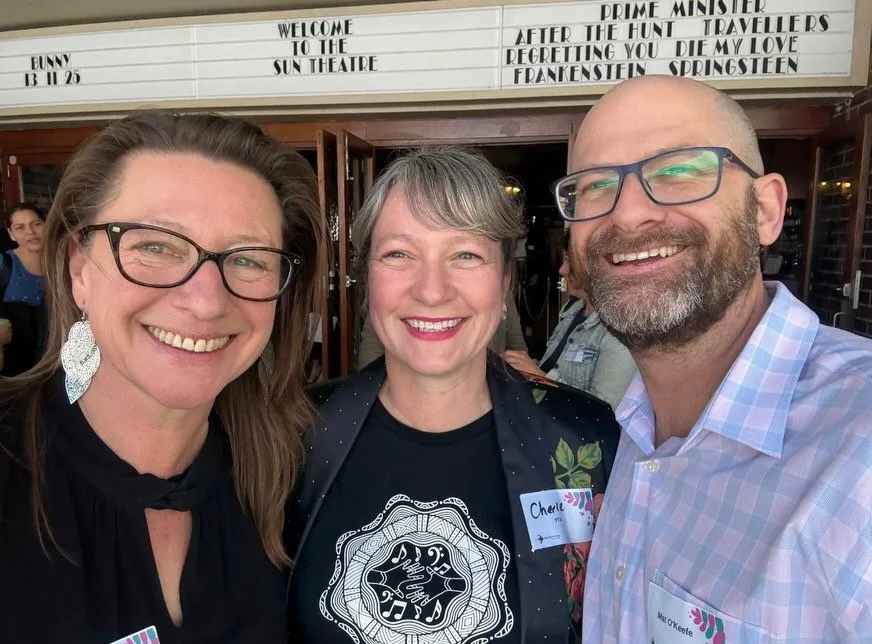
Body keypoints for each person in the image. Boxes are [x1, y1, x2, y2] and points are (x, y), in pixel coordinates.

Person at [551, 75, 872, 643]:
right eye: (596, 186)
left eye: (677, 172)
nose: (628, 216)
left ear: (766, 209)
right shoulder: (634, 427)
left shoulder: (858, 451)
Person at [0, 111, 325, 643]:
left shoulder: (291, 472)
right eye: (155, 246)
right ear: (79, 271)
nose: (205, 301)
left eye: (248, 259)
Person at [286, 147, 620, 643]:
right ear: (367, 278)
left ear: (505, 279)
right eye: (399, 253)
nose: (432, 290)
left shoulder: (589, 444)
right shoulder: (292, 434)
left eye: (465, 254)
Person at [503, 228, 636, 408]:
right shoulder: (572, 309)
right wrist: (517, 366)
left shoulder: (620, 329)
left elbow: (604, 411)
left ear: (596, 264)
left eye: (568, 260)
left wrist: (538, 375)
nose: (562, 270)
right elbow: (550, 366)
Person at [357, 291, 526, 368]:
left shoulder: (500, 293)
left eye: (466, 256)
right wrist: (369, 389)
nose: (433, 294)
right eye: (398, 254)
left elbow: (517, 344)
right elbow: (372, 338)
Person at [0, 202, 47, 376]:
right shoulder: (4, 264)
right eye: (20, 227)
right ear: (11, 234)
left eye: (36, 224)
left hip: (54, 367)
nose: (30, 232)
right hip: (13, 374)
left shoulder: (63, 263)